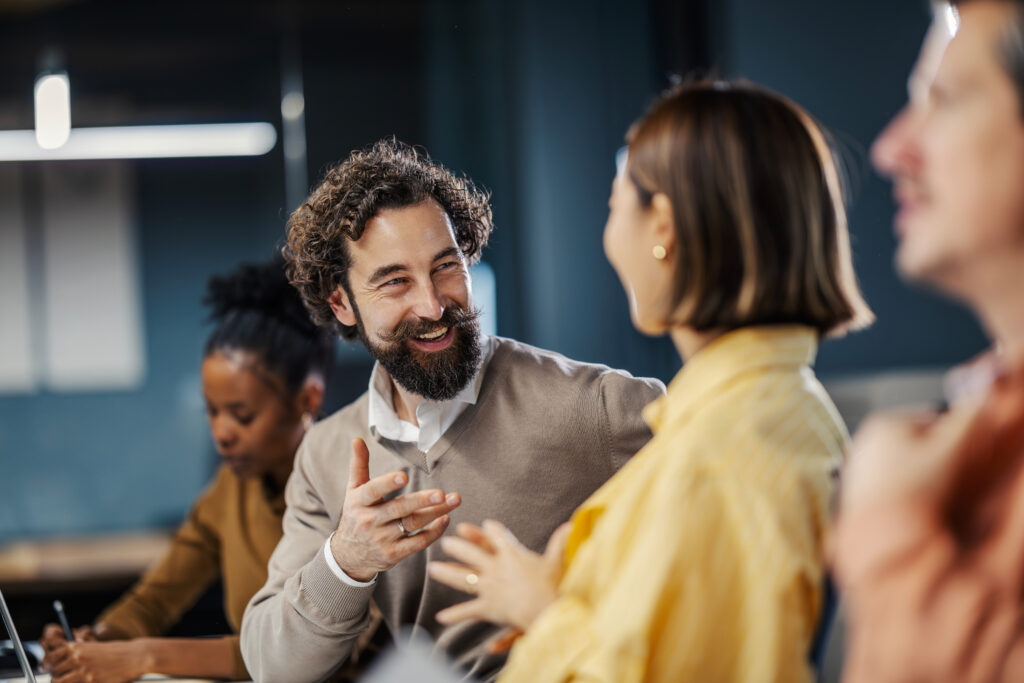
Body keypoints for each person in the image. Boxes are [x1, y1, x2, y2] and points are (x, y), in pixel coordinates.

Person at [426, 79, 874, 682]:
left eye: (615, 204)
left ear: (661, 223)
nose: (610, 237)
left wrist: (542, 606)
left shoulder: (720, 457)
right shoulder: (776, 409)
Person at [239, 139, 664, 682]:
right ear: (341, 302)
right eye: (395, 282)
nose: (433, 305)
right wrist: (346, 562)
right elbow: (272, 667)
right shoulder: (327, 458)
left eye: (446, 267)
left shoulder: (595, 406)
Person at [831, 1, 1024, 680]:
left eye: (943, 101)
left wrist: (892, 532)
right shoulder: (980, 413)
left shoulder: (903, 478)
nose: (889, 150)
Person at [40, 258, 335, 683]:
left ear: (308, 400)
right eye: (211, 412)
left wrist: (144, 657)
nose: (221, 434)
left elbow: (306, 649)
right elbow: (155, 599)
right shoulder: (231, 488)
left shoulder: (350, 489)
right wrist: (98, 640)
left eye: (242, 415)